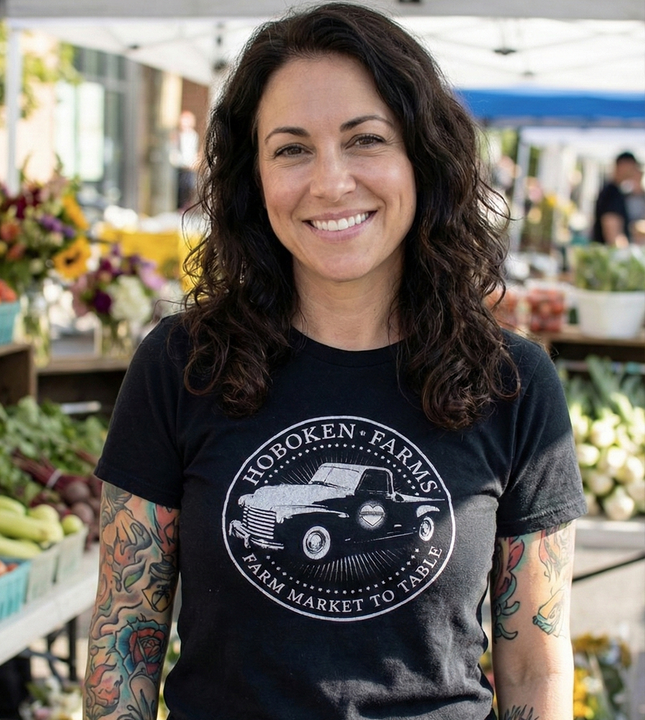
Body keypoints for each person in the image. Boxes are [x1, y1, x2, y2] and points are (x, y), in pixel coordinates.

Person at [84, 4, 587, 719]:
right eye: (291, 149)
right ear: (254, 178)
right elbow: (122, 640)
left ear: (422, 154)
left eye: (366, 140)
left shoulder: (512, 382)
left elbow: (536, 667)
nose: (330, 181)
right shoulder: (180, 364)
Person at [592, 151, 642, 247]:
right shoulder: (611, 193)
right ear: (622, 166)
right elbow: (613, 234)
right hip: (609, 254)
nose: (633, 171)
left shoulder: (615, 191)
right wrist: (625, 253)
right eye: (632, 167)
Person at [169, 110, 200, 211]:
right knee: (179, 188)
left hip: (189, 167)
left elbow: (193, 151)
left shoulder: (193, 136)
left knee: (189, 187)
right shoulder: (176, 135)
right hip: (180, 166)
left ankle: (185, 207)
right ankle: (179, 209)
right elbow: (173, 152)